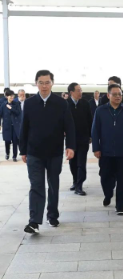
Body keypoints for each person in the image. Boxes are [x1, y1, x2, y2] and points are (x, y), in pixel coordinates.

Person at [20, 69, 75, 234]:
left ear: (52, 83)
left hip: (54, 152)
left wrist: (70, 146)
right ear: (36, 83)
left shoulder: (61, 103)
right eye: (41, 83)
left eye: (47, 82)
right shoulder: (29, 103)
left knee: (53, 184)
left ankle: (52, 215)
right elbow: (24, 128)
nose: (44, 86)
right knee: (36, 185)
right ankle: (34, 221)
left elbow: (69, 126)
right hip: (34, 152)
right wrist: (23, 150)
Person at [92, 82, 123, 215]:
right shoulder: (100, 111)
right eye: (115, 94)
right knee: (105, 177)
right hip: (105, 151)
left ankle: (120, 205)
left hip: (122, 151)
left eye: (120, 94)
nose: (118, 97)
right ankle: (108, 194)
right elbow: (95, 131)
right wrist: (96, 148)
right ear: (108, 95)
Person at [67, 82, 92, 196]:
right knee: (72, 162)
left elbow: (90, 120)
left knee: (81, 163)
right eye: (78, 90)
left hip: (83, 138)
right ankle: (75, 181)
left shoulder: (85, 103)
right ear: (71, 92)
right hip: (71, 140)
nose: (80, 92)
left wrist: (90, 135)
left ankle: (79, 185)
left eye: (81, 90)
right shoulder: (66, 104)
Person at [0, 90, 21, 161]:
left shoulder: (16, 104)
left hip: (15, 126)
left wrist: (11, 108)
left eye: (13, 96)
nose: (12, 97)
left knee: (15, 141)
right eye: (10, 96)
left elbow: (18, 112)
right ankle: (7, 153)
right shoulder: (3, 105)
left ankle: (14, 156)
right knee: (7, 141)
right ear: (7, 96)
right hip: (7, 126)